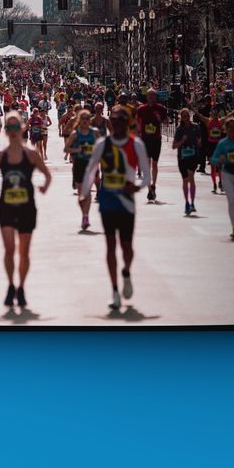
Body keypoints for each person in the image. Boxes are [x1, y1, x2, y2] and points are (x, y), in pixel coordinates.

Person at [80, 106, 150, 317]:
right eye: (114, 120)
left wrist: (137, 186)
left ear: (127, 122)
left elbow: (146, 176)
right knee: (110, 245)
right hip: (107, 200)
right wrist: (84, 193)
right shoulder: (103, 144)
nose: (118, 123)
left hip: (127, 202)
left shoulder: (135, 145)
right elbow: (91, 170)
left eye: (121, 120)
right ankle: (114, 291)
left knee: (127, 246)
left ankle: (126, 272)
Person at [0, 111, 52, 312]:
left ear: (22, 129)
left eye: (16, 127)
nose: (13, 131)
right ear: (5, 131)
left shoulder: (31, 154)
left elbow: (47, 175)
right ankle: (10, 285)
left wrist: (44, 187)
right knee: (9, 249)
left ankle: (21, 287)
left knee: (24, 251)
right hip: (6, 206)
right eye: (10, 127)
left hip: (26, 207)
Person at [65, 108, 98, 231]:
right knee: (81, 195)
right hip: (78, 163)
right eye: (82, 119)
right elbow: (66, 149)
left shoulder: (94, 133)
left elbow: (101, 146)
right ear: (79, 120)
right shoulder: (75, 134)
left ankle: (85, 216)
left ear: (90, 120)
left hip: (90, 164)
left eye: (87, 119)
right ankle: (84, 213)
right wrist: (78, 150)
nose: (85, 121)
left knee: (88, 191)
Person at [136, 88, 168, 202]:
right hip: (145, 139)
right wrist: (137, 133)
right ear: (146, 97)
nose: (150, 97)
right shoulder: (141, 109)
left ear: (155, 97)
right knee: (147, 164)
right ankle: (149, 189)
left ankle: (153, 185)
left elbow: (166, 123)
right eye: (149, 95)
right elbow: (138, 122)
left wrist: (160, 119)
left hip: (156, 139)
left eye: (152, 95)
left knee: (154, 164)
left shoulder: (161, 108)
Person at [172, 106, 203, 214]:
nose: (186, 118)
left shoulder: (196, 127)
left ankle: (192, 203)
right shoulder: (179, 129)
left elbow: (200, 141)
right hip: (182, 157)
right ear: (181, 118)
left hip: (193, 156)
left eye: (187, 116)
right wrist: (182, 141)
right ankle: (186, 202)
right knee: (185, 180)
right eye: (184, 116)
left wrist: (199, 143)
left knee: (191, 177)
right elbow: (174, 146)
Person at [203, 107, 226, 195]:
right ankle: (215, 184)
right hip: (211, 145)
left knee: (219, 166)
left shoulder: (220, 121)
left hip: (218, 145)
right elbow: (198, 114)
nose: (215, 115)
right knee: (213, 167)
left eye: (216, 114)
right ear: (211, 114)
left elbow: (230, 115)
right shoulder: (208, 121)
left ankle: (220, 182)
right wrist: (191, 106)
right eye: (214, 114)